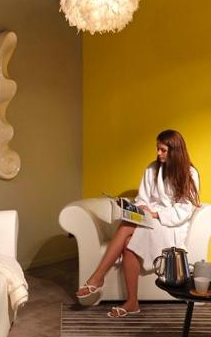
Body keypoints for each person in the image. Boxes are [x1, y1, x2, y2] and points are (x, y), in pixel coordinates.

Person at [76, 129, 200, 318]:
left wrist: (156, 213)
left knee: (127, 226)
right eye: (157, 149)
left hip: (171, 225)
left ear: (175, 151)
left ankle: (97, 278)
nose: (158, 153)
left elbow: (184, 210)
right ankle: (132, 302)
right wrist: (140, 209)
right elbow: (142, 198)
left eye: (163, 150)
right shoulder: (152, 169)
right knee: (128, 242)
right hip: (150, 219)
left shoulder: (189, 173)